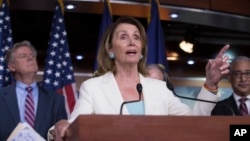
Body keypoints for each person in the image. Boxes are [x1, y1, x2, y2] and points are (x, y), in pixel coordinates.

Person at [51, 16, 230, 140]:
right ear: (111, 50)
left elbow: (192, 123)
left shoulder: (159, 88)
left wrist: (210, 84)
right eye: (123, 37)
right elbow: (73, 127)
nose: (132, 41)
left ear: (141, 50)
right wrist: (60, 124)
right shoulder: (93, 87)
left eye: (136, 37)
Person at [0, 40, 67, 140]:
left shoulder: (56, 100)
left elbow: (61, 134)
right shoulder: (1, 97)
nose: (30, 58)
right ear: (12, 66)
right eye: (23, 56)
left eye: (32, 56)